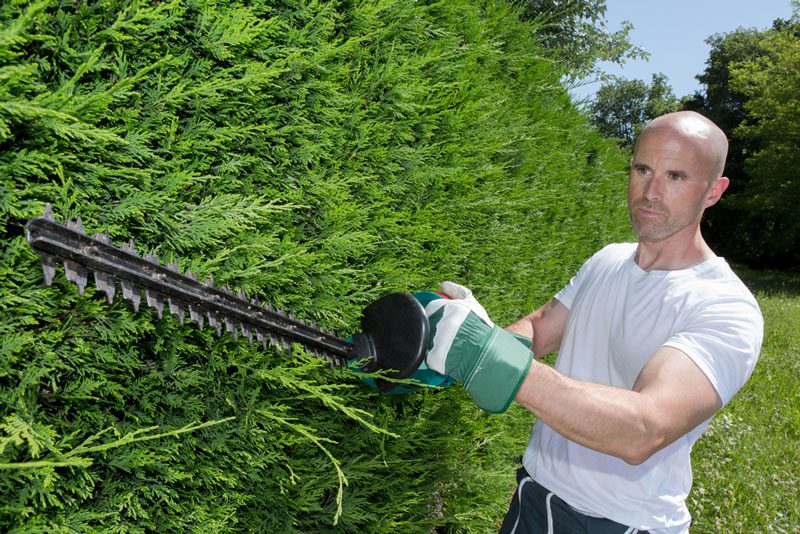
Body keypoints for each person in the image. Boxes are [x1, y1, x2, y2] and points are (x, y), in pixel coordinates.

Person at [422, 111, 763, 533]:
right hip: (534, 494)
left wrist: (489, 356)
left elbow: (645, 429)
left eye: (676, 177)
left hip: (619, 522)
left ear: (714, 191)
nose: (651, 192)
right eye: (643, 169)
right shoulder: (608, 259)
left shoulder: (725, 307)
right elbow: (542, 326)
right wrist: (455, 341)